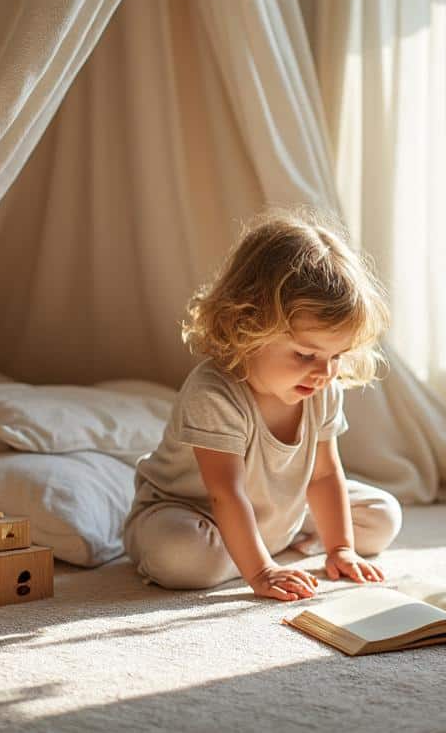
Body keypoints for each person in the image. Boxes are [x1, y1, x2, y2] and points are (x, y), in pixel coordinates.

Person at [122, 207, 402, 601]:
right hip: (195, 514)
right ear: (247, 327)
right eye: (306, 355)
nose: (325, 372)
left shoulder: (321, 387)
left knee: (383, 516)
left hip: (278, 512)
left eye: (337, 355)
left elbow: (323, 476)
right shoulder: (214, 394)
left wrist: (341, 548)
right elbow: (226, 493)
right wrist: (262, 572)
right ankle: (260, 552)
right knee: (181, 558)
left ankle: (263, 545)